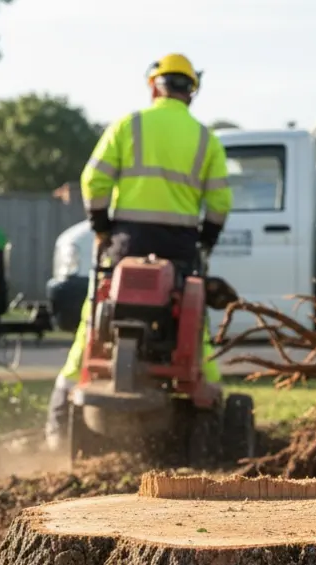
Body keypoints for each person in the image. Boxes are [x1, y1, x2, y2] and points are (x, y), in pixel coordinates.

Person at [45, 53, 233, 450]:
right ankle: (209, 404)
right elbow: (219, 203)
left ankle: (60, 426)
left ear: (154, 86)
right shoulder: (206, 139)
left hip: (126, 245)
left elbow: (93, 179)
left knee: (94, 323)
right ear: (191, 93)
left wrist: (101, 230)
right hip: (180, 250)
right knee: (190, 324)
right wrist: (206, 242)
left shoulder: (128, 126)